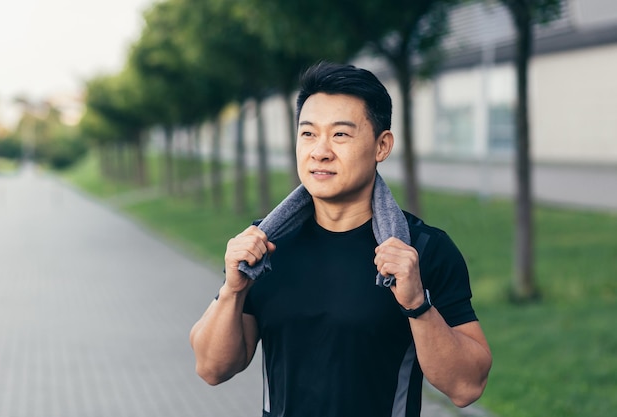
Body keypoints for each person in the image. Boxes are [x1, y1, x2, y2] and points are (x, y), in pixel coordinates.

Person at [189, 61, 492, 417]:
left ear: (382, 146)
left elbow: (467, 387)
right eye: (308, 134)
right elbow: (212, 368)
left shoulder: (421, 251)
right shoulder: (266, 245)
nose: (320, 151)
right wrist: (232, 291)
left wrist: (417, 305)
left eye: (340, 134)